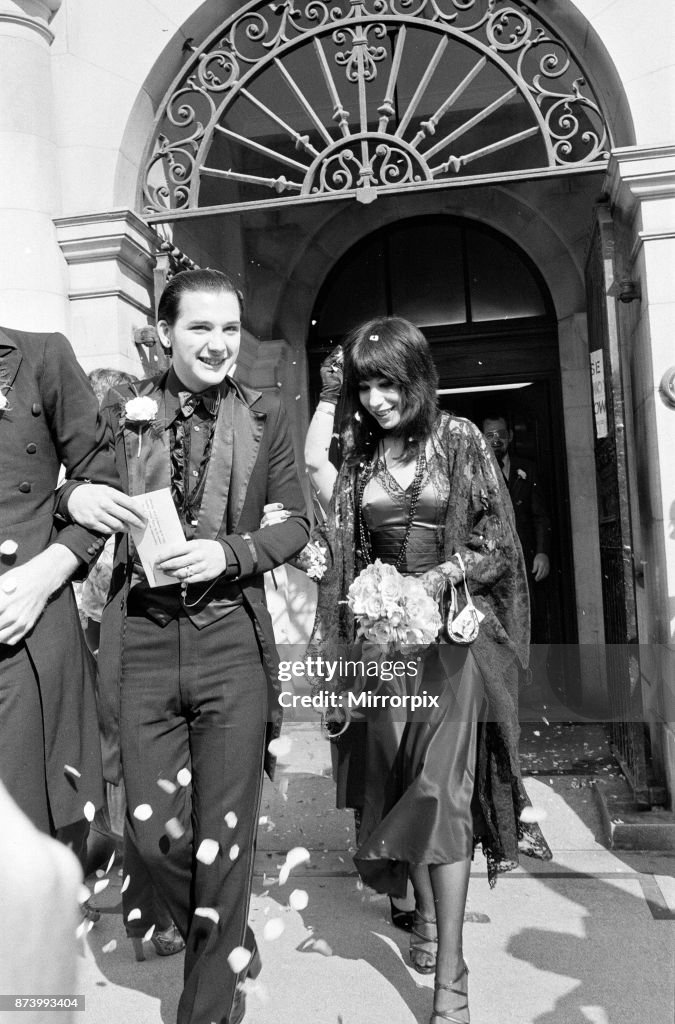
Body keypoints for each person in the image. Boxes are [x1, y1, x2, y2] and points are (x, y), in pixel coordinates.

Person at [64, 270, 310, 1024]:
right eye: (201, 327)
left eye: (230, 329)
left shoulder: (267, 415)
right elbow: (75, 493)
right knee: (152, 831)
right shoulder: (122, 414)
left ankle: (208, 1006)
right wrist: (78, 496)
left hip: (230, 640)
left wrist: (231, 553)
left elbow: (296, 524)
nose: (218, 343)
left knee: (224, 836)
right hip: (140, 638)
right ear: (165, 332)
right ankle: (226, 930)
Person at [305, 317, 551, 1024]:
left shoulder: (461, 438)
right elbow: (344, 549)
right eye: (366, 384)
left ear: (415, 375)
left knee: (442, 791)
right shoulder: (357, 454)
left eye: (388, 381)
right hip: (382, 655)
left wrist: (437, 578)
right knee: (402, 786)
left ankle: (451, 981)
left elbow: (495, 543)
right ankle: (430, 922)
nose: (377, 398)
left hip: (448, 650)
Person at [0, 325, 138, 865]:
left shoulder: (40, 355)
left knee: (26, 836)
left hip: (23, 622)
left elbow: (104, 476)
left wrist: (44, 574)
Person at [79, 367, 185, 961]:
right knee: (119, 770)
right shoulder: (85, 485)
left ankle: (151, 903)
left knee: (129, 769)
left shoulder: (143, 476)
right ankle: (144, 901)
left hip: (122, 637)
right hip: (94, 641)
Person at [481, 414, 552, 703]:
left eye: (500, 434)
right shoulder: (474, 470)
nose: (495, 440)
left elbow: (540, 515)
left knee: (528, 623)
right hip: (489, 567)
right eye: (489, 435)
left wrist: (543, 552)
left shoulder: (527, 470)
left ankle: (533, 691)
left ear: (510, 436)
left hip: (525, 564)